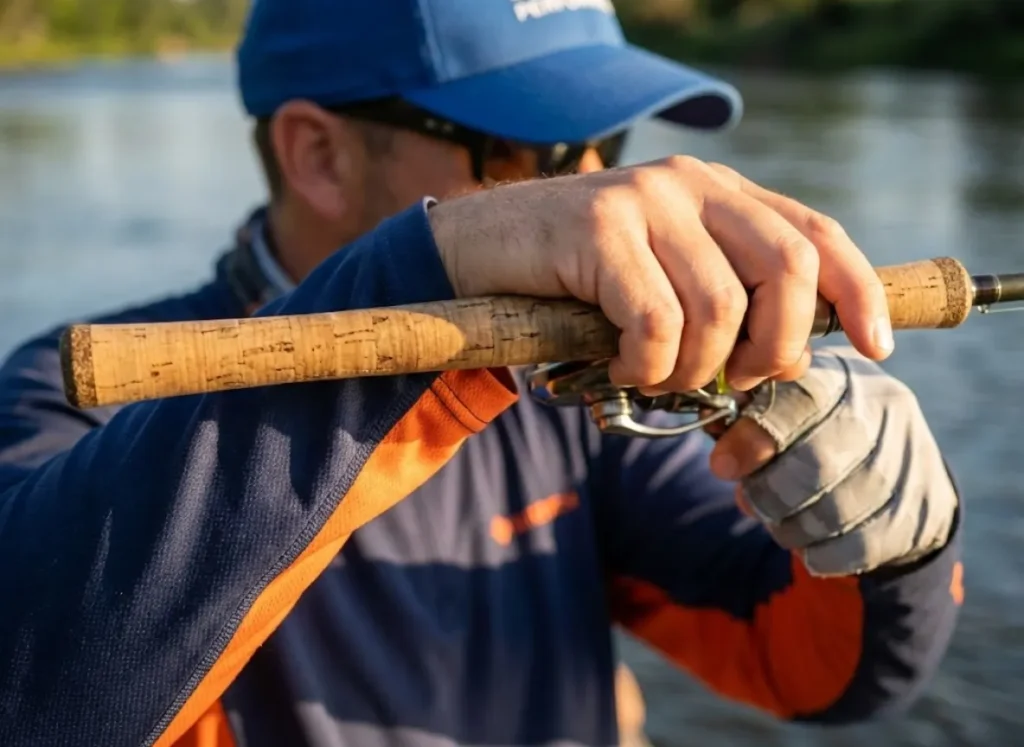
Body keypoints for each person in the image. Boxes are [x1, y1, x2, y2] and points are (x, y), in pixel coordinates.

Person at [0, 1, 965, 747]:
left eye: (605, 145)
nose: (590, 183)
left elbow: (823, 675)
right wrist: (439, 263)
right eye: (524, 152)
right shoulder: (73, 393)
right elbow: (38, 694)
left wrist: (886, 545)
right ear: (319, 155)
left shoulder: (573, 395)